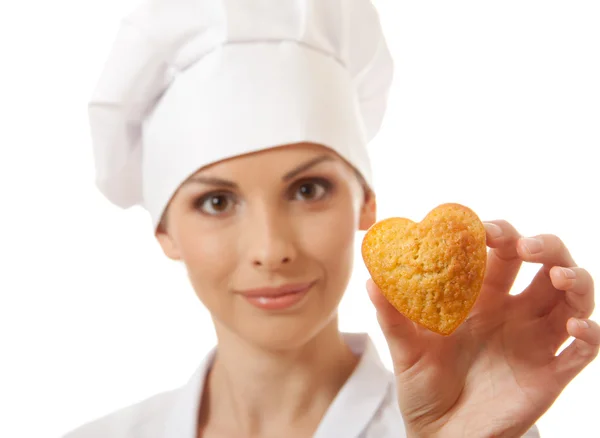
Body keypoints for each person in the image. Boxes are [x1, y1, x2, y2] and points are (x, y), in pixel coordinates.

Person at [64, 0, 598, 437]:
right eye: (217, 202)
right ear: (164, 230)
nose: (271, 249)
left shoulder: (460, 420)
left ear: (366, 200)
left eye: (308, 188)